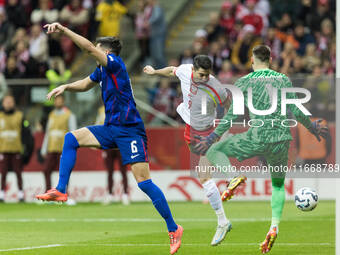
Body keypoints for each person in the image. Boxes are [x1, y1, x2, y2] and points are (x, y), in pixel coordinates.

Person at [35, 22, 183, 255]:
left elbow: (87, 49)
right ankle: (61, 189)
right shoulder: (102, 70)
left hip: (130, 130)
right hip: (111, 127)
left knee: (144, 182)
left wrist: (63, 30)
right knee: (71, 138)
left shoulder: (115, 64)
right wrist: (65, 86)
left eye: (97, 48)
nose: (93, 49)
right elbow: (85, 84)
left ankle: (174, 228)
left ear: (106, 52)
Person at [194, 45, 328, 253]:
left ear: (252, 60)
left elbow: (231, 117)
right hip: (281, 139)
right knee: (277, 186)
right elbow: (296, 110)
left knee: (213, 151)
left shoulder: (244, 82)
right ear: (271, 59)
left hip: (257, 137)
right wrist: (312, 128)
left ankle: (232, 177)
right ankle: (273, 226)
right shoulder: (283, 79)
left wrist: (212, 137)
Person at [143, 55, 246, 246]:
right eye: (201, 74)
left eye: (207, 74)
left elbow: (230, 106)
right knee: (204, 173)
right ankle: (224, 214)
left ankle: (224, 214)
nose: (205, 78)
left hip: (208, 131)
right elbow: (171, 69)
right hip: (191, 127)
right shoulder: (184, 71)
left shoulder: (216, 86)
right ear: (193, 70)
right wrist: (155, 71)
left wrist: (224, 130)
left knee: (204, 175)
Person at [0, 94, 34, 202]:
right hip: (3, 149)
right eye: (7, 101)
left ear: (14, 103)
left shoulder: (20, 116)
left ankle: (20, 194)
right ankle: (1, 194)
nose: (9, 103)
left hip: (16, 149)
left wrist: (25, 148)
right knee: (3, 173)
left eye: (10, 101)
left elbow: (26, 133)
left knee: (18, 172)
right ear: (3, 103)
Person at [40, 95, 76, 192]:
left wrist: (72, 148)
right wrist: (44, 148)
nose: (58, 102)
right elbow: (48, 132)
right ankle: (48, 193)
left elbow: (73, 132)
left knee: (65, 173)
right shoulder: (51, 115)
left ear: (63, 102)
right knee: (46, 171)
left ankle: (64, 194)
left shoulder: (69, 115)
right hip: (52, 148)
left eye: (60, 100)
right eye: (56, 100)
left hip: (63, 149)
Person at [96, 105, 129, 205]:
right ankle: (110, 194)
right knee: (109, 171)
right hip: (108, 145)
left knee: (123, 171)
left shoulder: (122, 108)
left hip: (120, 145)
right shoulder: (101, 110)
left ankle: (125, 194)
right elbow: (98, 126)